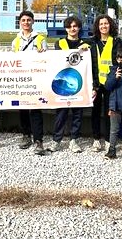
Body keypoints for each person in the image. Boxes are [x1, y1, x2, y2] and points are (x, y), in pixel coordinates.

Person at [47, 16, 89, 153]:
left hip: (79, 84)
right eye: (70, 26)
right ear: (66, 28)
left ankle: (73, 140)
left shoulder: (86, 45)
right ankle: (56, 140)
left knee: (77, 113)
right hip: (63, 84)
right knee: (61, 113)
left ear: (79, 28)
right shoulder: (59, 44)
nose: (73, 29)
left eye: (75, 26)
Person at [11, 10, 48, 156]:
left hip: (36, 79)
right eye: (23, 20)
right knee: (23, 108)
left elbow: (46, 57)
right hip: (21, 78)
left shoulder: (40, 38)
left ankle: (38, 140)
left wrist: (42, 53)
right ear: (20, 23)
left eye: (28, 20)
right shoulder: (16, 41)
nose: (26, 22)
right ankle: (26, 135)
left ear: (33, 22)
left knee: (36, 109)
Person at [89, 14, 122, 152]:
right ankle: (96, 139)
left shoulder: (117, 42)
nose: (104, 26)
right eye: (101, 24)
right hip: (96, 84)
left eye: (106, 23)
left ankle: (110, 140)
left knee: (110, 112)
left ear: (110, 25)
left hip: (112, 83)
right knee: (95, 111)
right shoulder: (91, 42)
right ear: (97, 27)